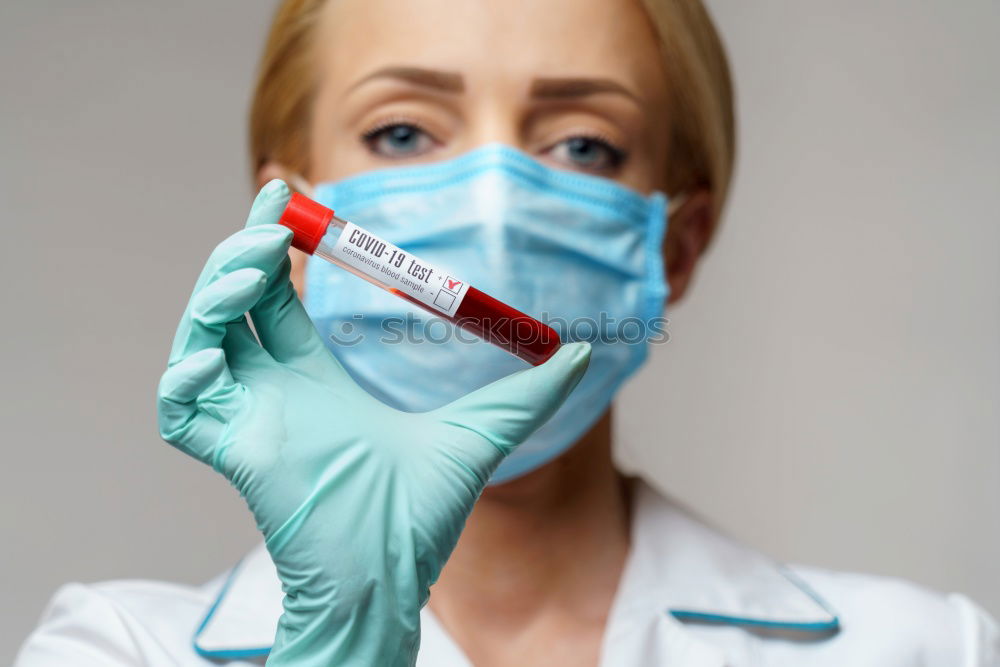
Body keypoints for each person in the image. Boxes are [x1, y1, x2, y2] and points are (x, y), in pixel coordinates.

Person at [17, 0, 1000, 664]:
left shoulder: (927, 651)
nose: (491, 214)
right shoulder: (114, 648)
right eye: (403, 132)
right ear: (295, 224)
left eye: (582, 144)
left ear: (675, 245)